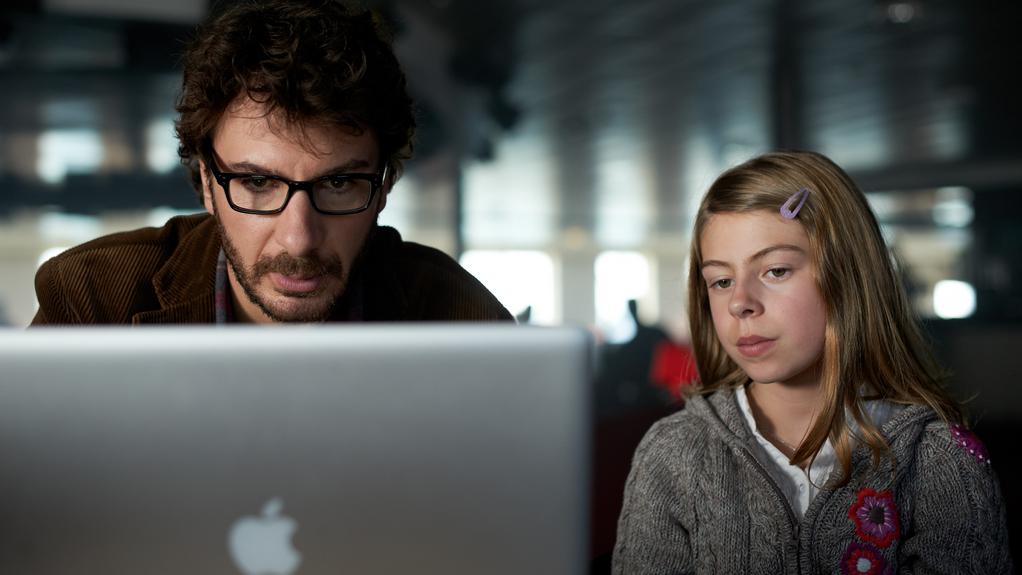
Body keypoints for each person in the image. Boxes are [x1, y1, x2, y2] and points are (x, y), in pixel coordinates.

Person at [612, 151, 1013, 573]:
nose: (740, 303)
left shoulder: (939, 461)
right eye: (721, 280)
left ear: (848, 277)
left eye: (776, 270)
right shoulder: (674, 453)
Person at [31, 0, 511, 325]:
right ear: (206, 180)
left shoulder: (458, 314)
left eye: (339, 183)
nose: (299, 237)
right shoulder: (93, 300)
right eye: (257, 181)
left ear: (384, 186)